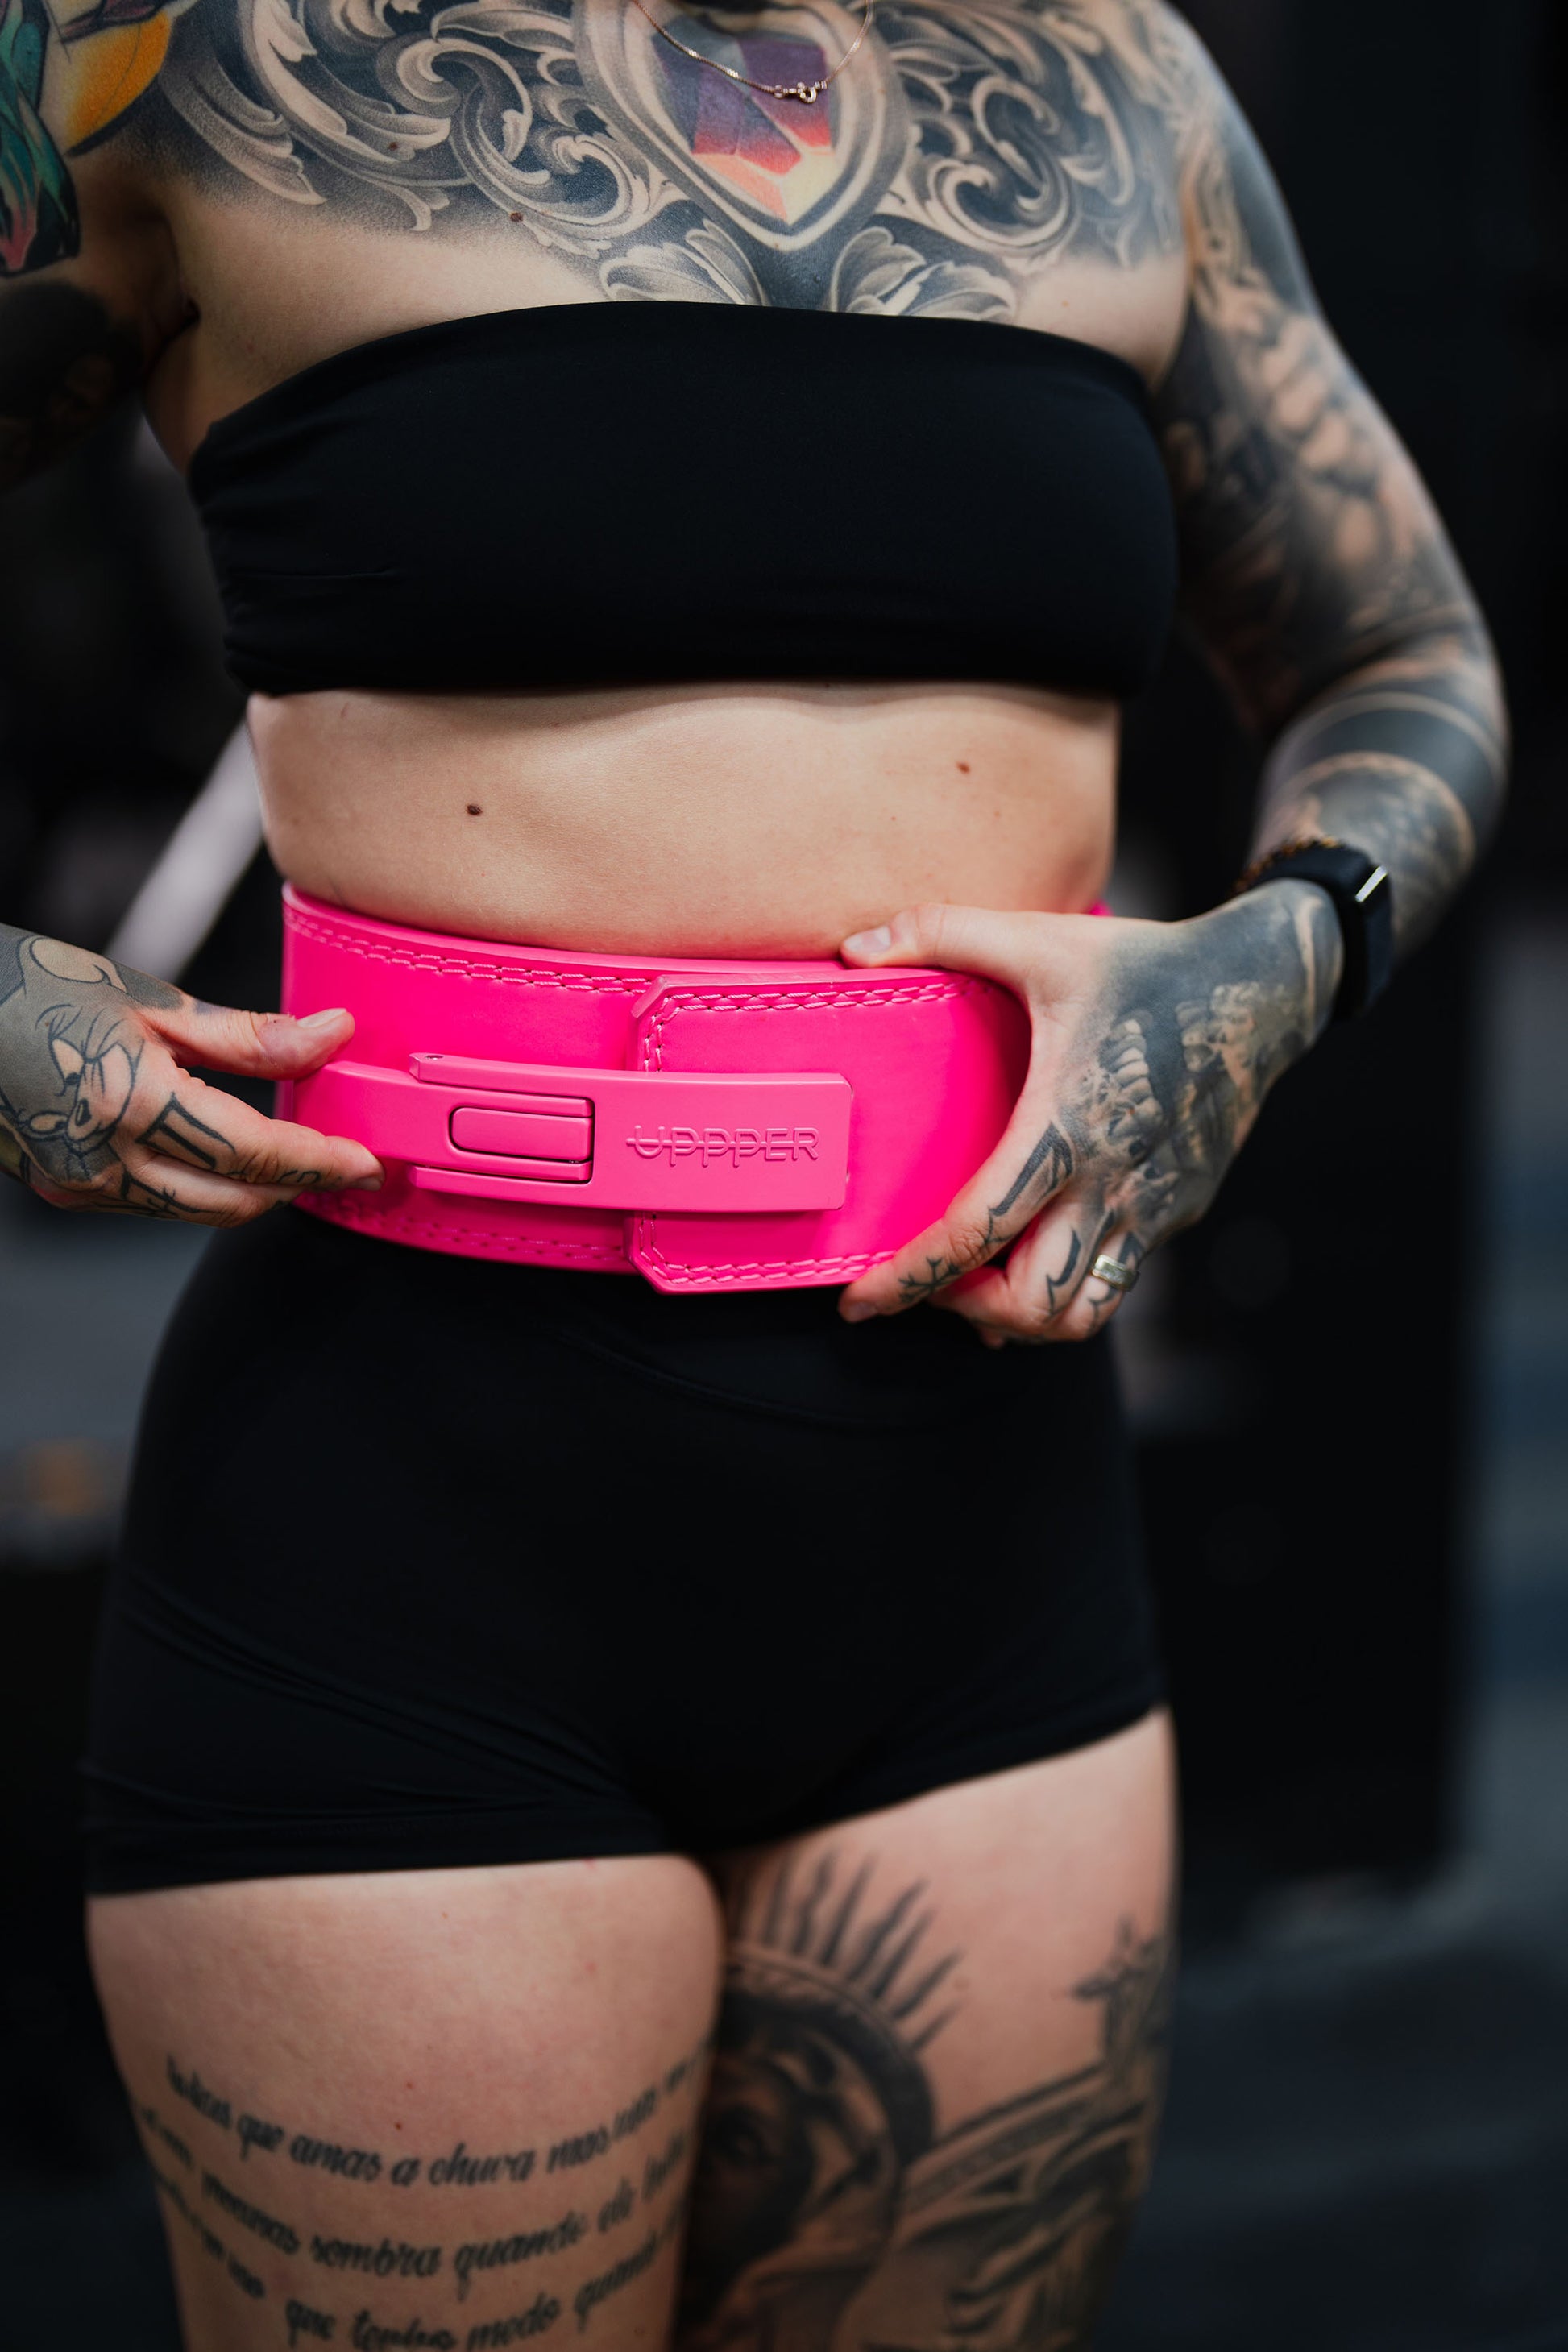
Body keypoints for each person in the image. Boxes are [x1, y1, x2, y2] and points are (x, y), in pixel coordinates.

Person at [0, 2, 1504, 2346]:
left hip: (986, 1526)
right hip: (410, 1529)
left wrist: (1285, 952)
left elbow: (1402, 651)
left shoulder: (1112, 74)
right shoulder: (182, 47)